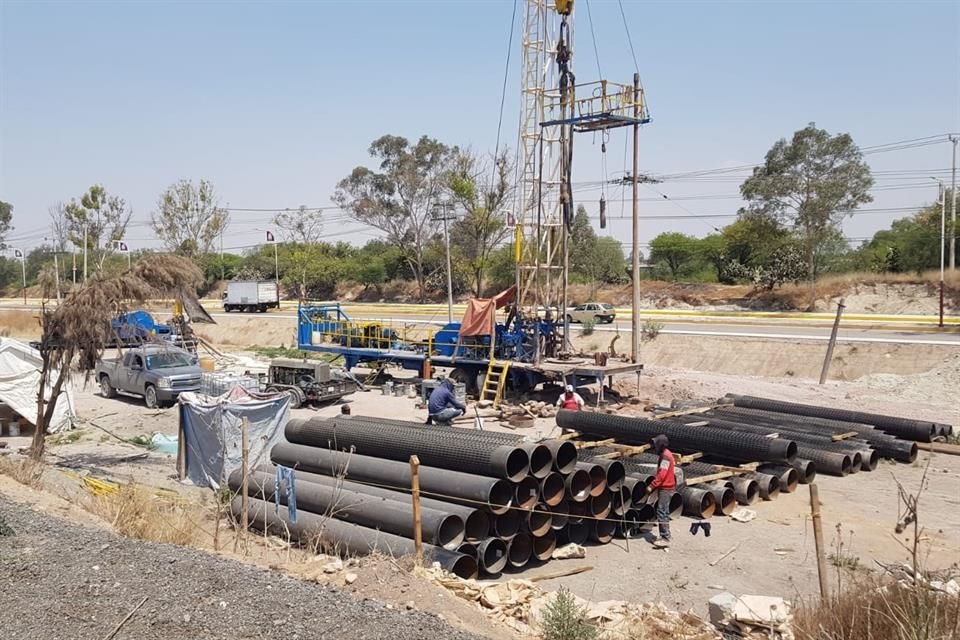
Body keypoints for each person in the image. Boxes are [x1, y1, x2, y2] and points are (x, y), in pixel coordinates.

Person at [645, 434, 676, 549]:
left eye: (656, 444)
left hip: (665, 488)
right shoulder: (666, 454)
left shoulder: (666, 457)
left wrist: (651, 486)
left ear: (661, 445)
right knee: (664, 511)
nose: (654, 447)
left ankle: (665, 538)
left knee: (662, 511)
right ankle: (666, 535)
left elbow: (662, 474)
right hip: (666, 487)